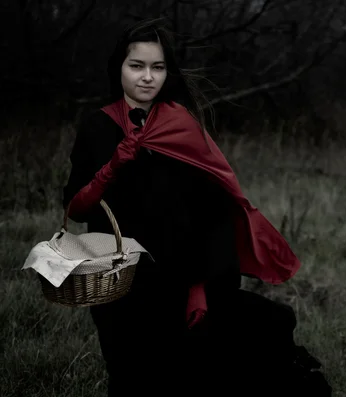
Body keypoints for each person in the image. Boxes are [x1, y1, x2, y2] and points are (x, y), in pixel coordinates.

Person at [62, 17, 331, 396]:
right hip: (118, 278)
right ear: (118, 68)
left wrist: (201, 286)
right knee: (129, 376)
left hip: (177, 277)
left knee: (213, 361)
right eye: (136, 66)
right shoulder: (97, 127)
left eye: (157, 67)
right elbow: (76, 207)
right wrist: (114, 165)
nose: (147, 77)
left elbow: (214, 211)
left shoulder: (180, 124)